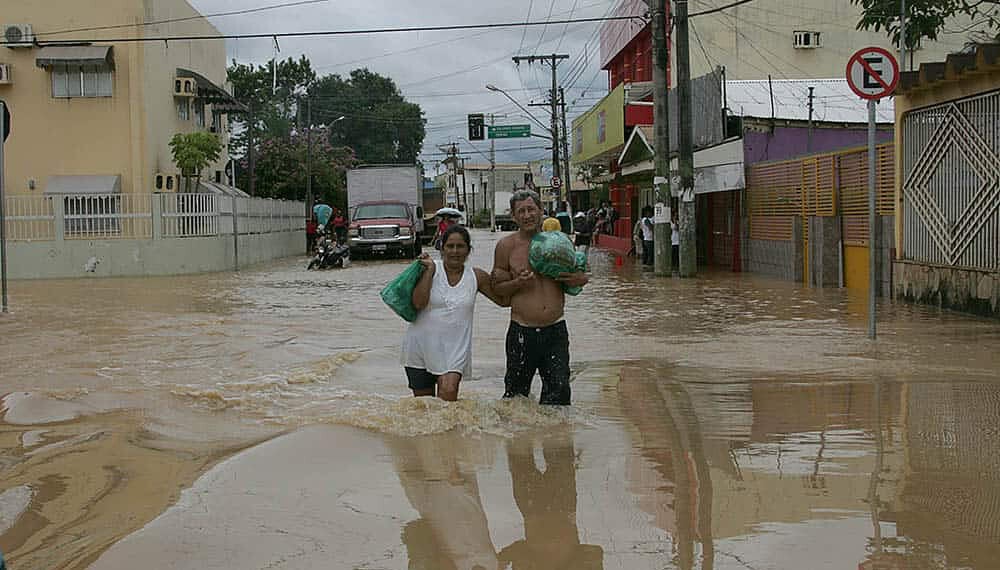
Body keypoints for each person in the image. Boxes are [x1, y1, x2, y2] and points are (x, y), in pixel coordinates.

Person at [491, 190, 589, 406]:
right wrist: (518, 283)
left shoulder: (560, 242)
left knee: (559, 395)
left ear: (541, 211)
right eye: (521, 211)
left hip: (556, 331)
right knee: (515, 400)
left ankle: (558, 440)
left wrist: (579, 279)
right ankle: (518, 440)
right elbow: (497, 288)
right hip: (521, 332)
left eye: (531, 209)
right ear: (513, 217)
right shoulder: (506, 247)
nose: (527, 215)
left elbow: (579, 277)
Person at [402, 225, 506, 401]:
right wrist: (428, 272)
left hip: (455, 351)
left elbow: (503, 301)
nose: (455, 251)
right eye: (450, 246)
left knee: (449, 392)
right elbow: (418, 303)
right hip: (420, 347)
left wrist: (519, 281)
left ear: (468, 250)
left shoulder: (477, 276)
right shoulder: (428, 268)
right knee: (426, 408)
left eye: (460, 246)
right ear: (442, 249)